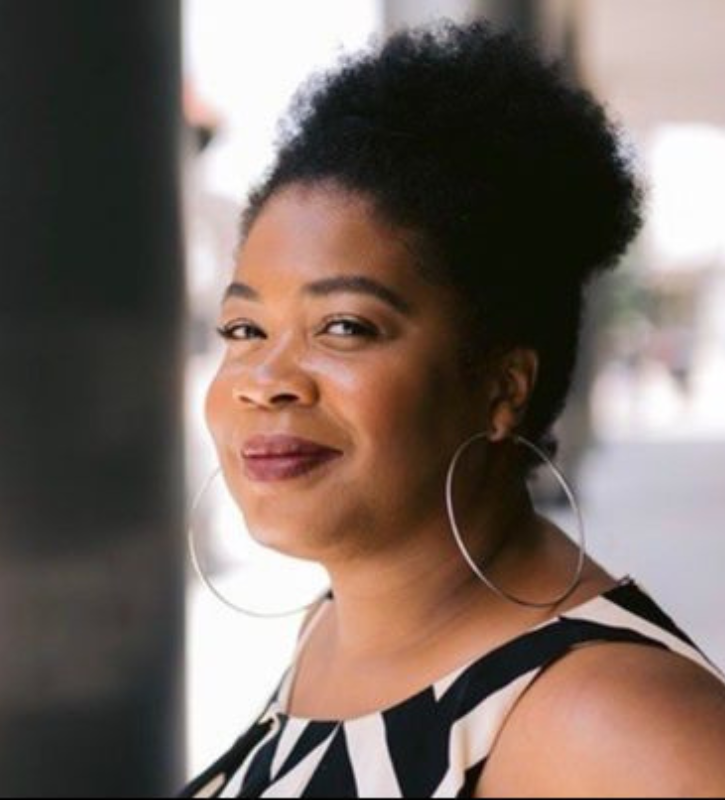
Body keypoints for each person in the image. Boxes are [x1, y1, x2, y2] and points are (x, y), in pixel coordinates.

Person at [180, 20, 725, 798]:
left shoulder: (613, 724)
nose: (264, 379)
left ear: (502, 388)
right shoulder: (332, 628)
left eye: (345, 327)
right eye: (244, 329)